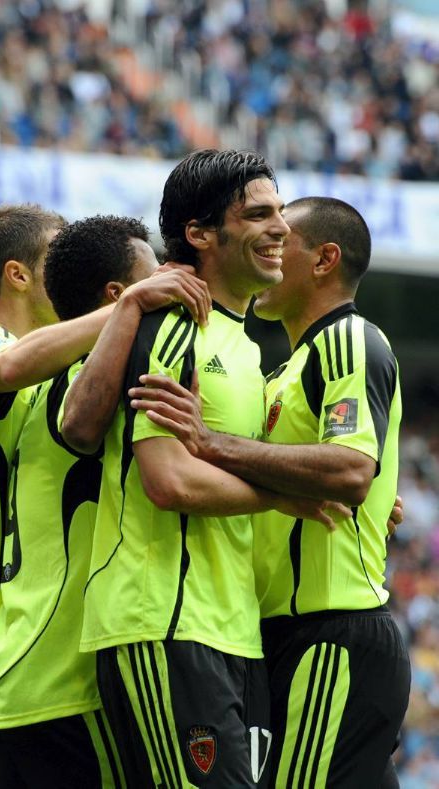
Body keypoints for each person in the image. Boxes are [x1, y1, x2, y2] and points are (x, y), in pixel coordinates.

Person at [0, 204, 207, 789]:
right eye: (54, 257)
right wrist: (129, 306)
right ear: (17, 275)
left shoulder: (63, 377)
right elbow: (7, 366)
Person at [61, 151, 349, 788]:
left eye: (281, 211)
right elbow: (169, 481)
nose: (281, 229)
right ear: (199, 235)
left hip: (231, 631)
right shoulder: (172, 326)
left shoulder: (245, 348)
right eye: (258, 215)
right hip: (164, 621)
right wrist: (280, 496)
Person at [128, 196, 411, 787]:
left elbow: (351, 470)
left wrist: (209, 442)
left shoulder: (350, 339)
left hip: (332, 632)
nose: (273, 252)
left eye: (288, 243)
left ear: (325, 260)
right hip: (282, 636)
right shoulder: (280, 370)